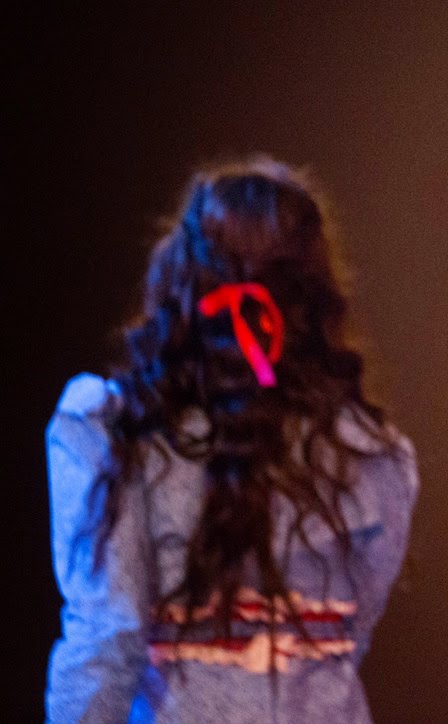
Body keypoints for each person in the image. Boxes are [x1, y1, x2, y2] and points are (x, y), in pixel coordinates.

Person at [45, 157, 418, 722]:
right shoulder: (373, 454)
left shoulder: (120, 434)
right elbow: (350, 638)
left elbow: (105, 640)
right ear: (313, 295)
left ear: (180, 279)